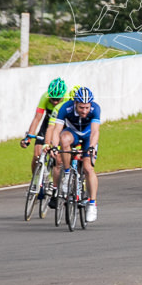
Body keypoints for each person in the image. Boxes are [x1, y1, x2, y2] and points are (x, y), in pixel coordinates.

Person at [48, 87, 102, 223]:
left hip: (89, 136)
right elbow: (57, 130)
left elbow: (95, 132)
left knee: (88, 168)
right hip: (72, 133)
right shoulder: (65, 108)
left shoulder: (95, 109)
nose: (84, 111)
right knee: (64, 139)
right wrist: (54, 147)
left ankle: (92, 204)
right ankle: (67, 173)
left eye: (87, 108)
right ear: (75, 104)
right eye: (81, 107)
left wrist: (91, 148)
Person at [20, 78, 68, 186]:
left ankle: (57, 183)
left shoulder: (67, 100)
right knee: (37, 155)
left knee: (58, 158)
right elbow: (37, 118)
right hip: (48, 124)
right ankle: (36, 181)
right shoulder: (45, 97)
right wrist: (28, 137)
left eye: (58, 99)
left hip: (62, 126)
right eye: (52, 99)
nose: (55, 101)